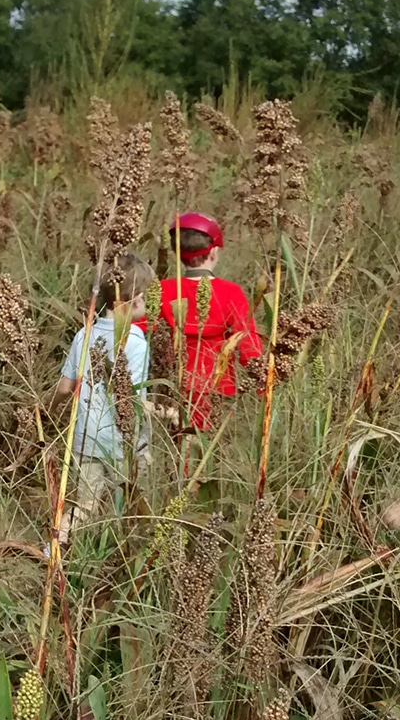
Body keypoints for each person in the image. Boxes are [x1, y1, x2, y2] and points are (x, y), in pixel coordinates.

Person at [50, 253, 156, 546]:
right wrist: (166, 412)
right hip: (125, 443)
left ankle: (53, 549)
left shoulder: (83, 334)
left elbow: (64, 387)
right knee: (137, 504)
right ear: (133, 299)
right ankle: (123, 553)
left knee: (85, 504)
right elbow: (129, 397)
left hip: (86, 437)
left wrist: (47, 411)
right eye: (145, 296)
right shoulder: (134, 341)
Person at [158, 212, 263, 435]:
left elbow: (142, 331)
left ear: (177, 253)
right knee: (205, 448)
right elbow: (248, 344)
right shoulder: (230, 293)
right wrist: (265, 384)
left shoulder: (163, 290)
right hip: (215, 387)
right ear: (214, 251)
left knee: (174, 448)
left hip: (172, 383)